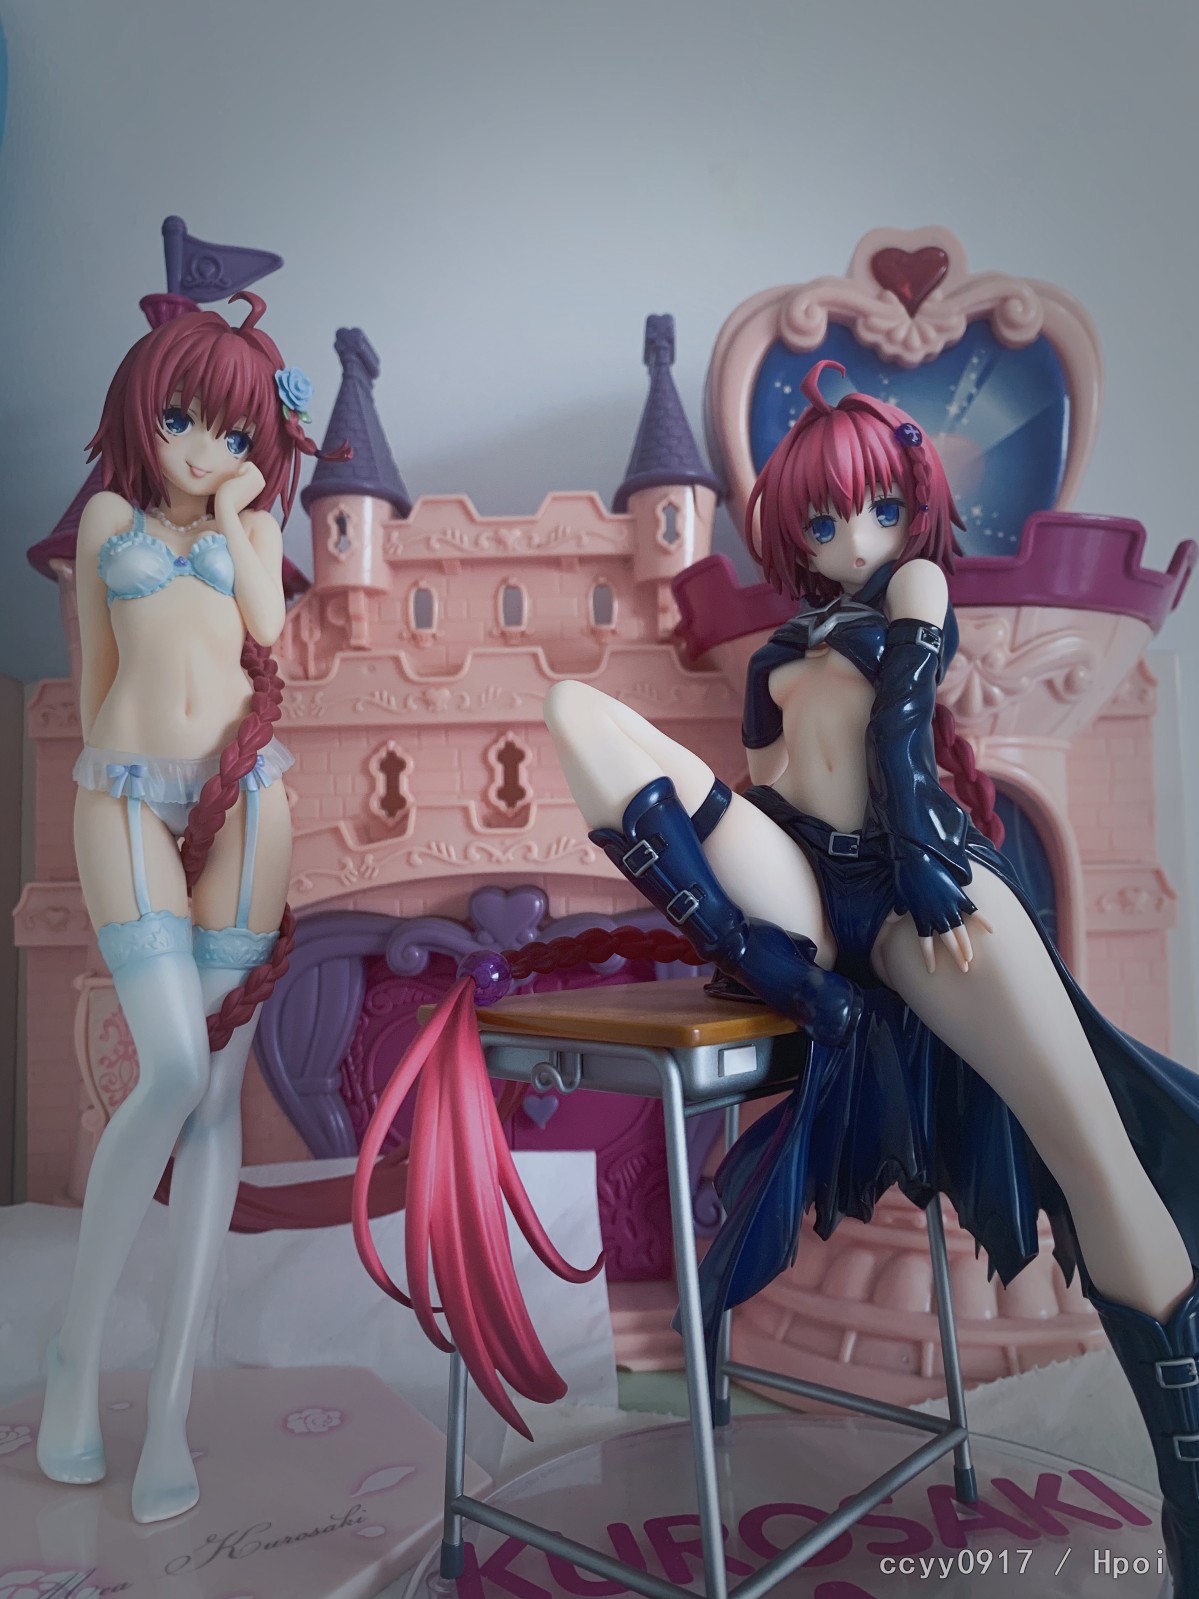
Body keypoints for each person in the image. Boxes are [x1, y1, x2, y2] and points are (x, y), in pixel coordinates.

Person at [540, 361, 1199, 1597]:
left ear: (913, 510)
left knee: (1095, 1159)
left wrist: (926, 871)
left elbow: (899, 737)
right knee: (578, 711)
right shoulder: (777, 651)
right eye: (825, 517)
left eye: (879, 508)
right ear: (790, 527)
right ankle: (776, 973)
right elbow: (768, 795)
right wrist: (754, 914)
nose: (855, 537)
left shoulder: (915, 587)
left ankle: (1188, 1471)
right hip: (813, 892)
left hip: (919, 887)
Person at [36, 293, 342, 1523]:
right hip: (121, 795)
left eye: (235, 432)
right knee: (170, 1066)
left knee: (213, 1098)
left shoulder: (249, 525)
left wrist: (238, 511)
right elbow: (95, 682)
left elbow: (267, 629)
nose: (205, 450)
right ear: (141, 413)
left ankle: (168, 1405)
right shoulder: (106, 520)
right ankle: (74, 1354)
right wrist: (123, 757)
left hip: (247, 799)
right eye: (182, 421)